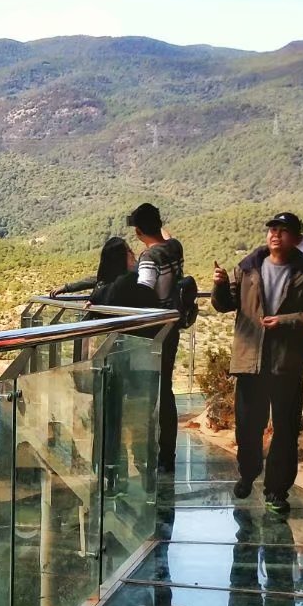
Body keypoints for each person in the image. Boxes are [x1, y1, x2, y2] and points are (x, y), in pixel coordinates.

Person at [211, 212, 303, 515]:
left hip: (285, 363)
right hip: (251, 360)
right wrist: (220, 285)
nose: (275, 234)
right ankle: (248, 473)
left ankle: (276, 490)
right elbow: (225, 305)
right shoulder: (248, 268)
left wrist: (286, 321)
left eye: (283, 230)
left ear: (295, 238)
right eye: (272, 230)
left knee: (285, 429)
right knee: (248, 425)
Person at [126, 202, 196, 473]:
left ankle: (147, 455)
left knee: (146, 394)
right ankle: (168, 453)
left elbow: (143, 291)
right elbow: (167, 235)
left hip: (152, 332)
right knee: (166, 391)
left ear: (139, 231)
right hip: (173, 327)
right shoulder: (174, 247)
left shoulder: (149, 258)